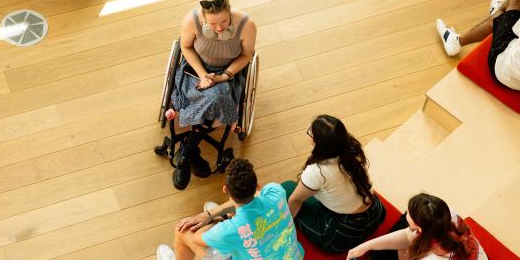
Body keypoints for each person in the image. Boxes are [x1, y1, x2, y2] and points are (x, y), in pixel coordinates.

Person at [169, 0, 257, 190]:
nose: (219, 28)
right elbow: (185, 47)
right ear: (203, 16)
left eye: (224, 21)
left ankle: (187, 151)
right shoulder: (191, 20)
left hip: (228, 72)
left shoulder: (247, 25)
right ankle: (189, 151)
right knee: (216, 104)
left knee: (217, 97)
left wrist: (224, 76)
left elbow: (246, 56)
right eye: (213, 24)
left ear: (229, 11)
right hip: (195, 69)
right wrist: (202, 74)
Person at [156, 158, 304, 260]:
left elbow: (197, 239)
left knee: (183, 231)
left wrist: (216, 221)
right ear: (257, 185)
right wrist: (210, 214)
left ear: (225, 189)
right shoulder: (276, 191)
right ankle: (225, 216)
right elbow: (256, 197)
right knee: (230, 217)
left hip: (233, 231)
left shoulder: (230, 230)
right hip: (294, 256)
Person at [281, 115, 386, 253]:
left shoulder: (317, 171)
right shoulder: (353, 148)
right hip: (376, 213)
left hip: (343, 232)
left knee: (287, 188)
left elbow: (295, 200)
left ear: (316, 140)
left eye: (311, 132)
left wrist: (284, 224)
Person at [346, 193, 488, 260]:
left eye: (409, 213)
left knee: (381, 255)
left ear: (420, 229)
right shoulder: (445, 214)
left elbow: (408, 237)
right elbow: (408, 235)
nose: (406, 211)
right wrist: (365, 246)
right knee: (401, 226)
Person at [437, 0, 520, 90]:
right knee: (507, 20)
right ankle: (498, 18)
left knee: (514, 2)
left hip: (504, 71)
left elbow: (515, 28)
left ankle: (455, 42)